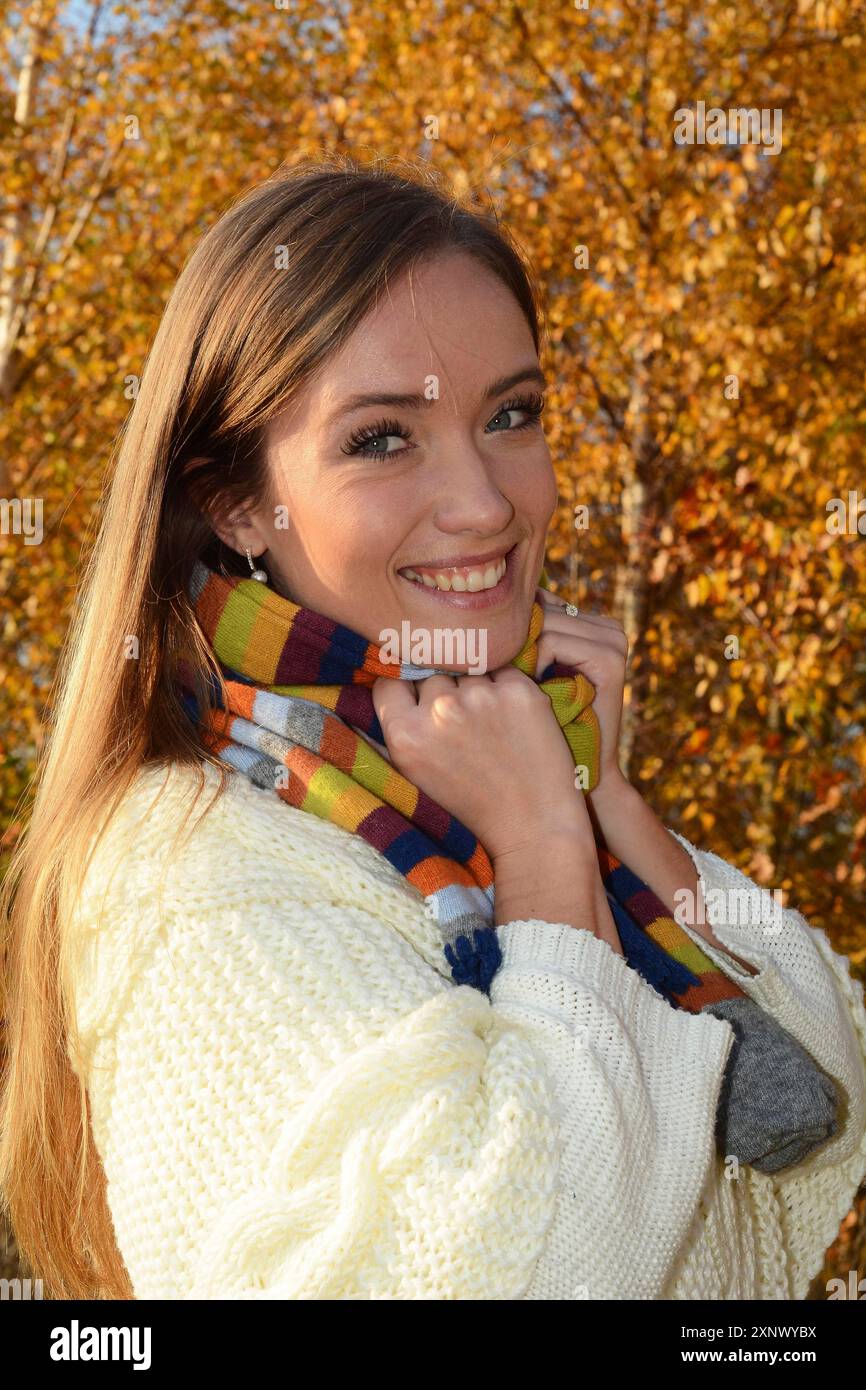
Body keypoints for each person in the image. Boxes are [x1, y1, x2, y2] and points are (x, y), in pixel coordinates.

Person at [1, 155, 864, 1301]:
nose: (486, 502)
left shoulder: (475, 770)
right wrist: (548, 858)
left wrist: (600, 793)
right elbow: (510, 1274)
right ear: (236, 501)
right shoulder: (194, 862)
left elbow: (824, 1060)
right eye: (381, 438)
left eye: (509, 414)